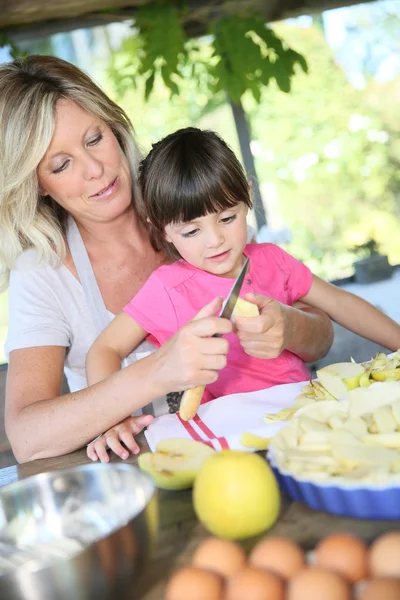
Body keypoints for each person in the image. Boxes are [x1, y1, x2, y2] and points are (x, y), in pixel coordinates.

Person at [0, 56, 335, 465]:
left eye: (94, 139)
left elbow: (319, 338)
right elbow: (27, 438)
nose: (95, 169)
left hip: (258, 450)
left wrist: (291, 325)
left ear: (114, 127)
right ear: (38, 185)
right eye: (61, 164)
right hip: (145, 475)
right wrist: (154, 373)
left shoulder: (191, 206)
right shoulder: (43, 274)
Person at [86, 127, 400, 462]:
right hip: (230, 440)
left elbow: (341, 302)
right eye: (191, 231)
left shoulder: (272, 260)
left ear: (247, 196)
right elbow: (104, 348)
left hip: (305, 420)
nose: (215, 240)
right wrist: (113, 418)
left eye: (227, 218)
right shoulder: (166, 288)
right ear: (160, 228)